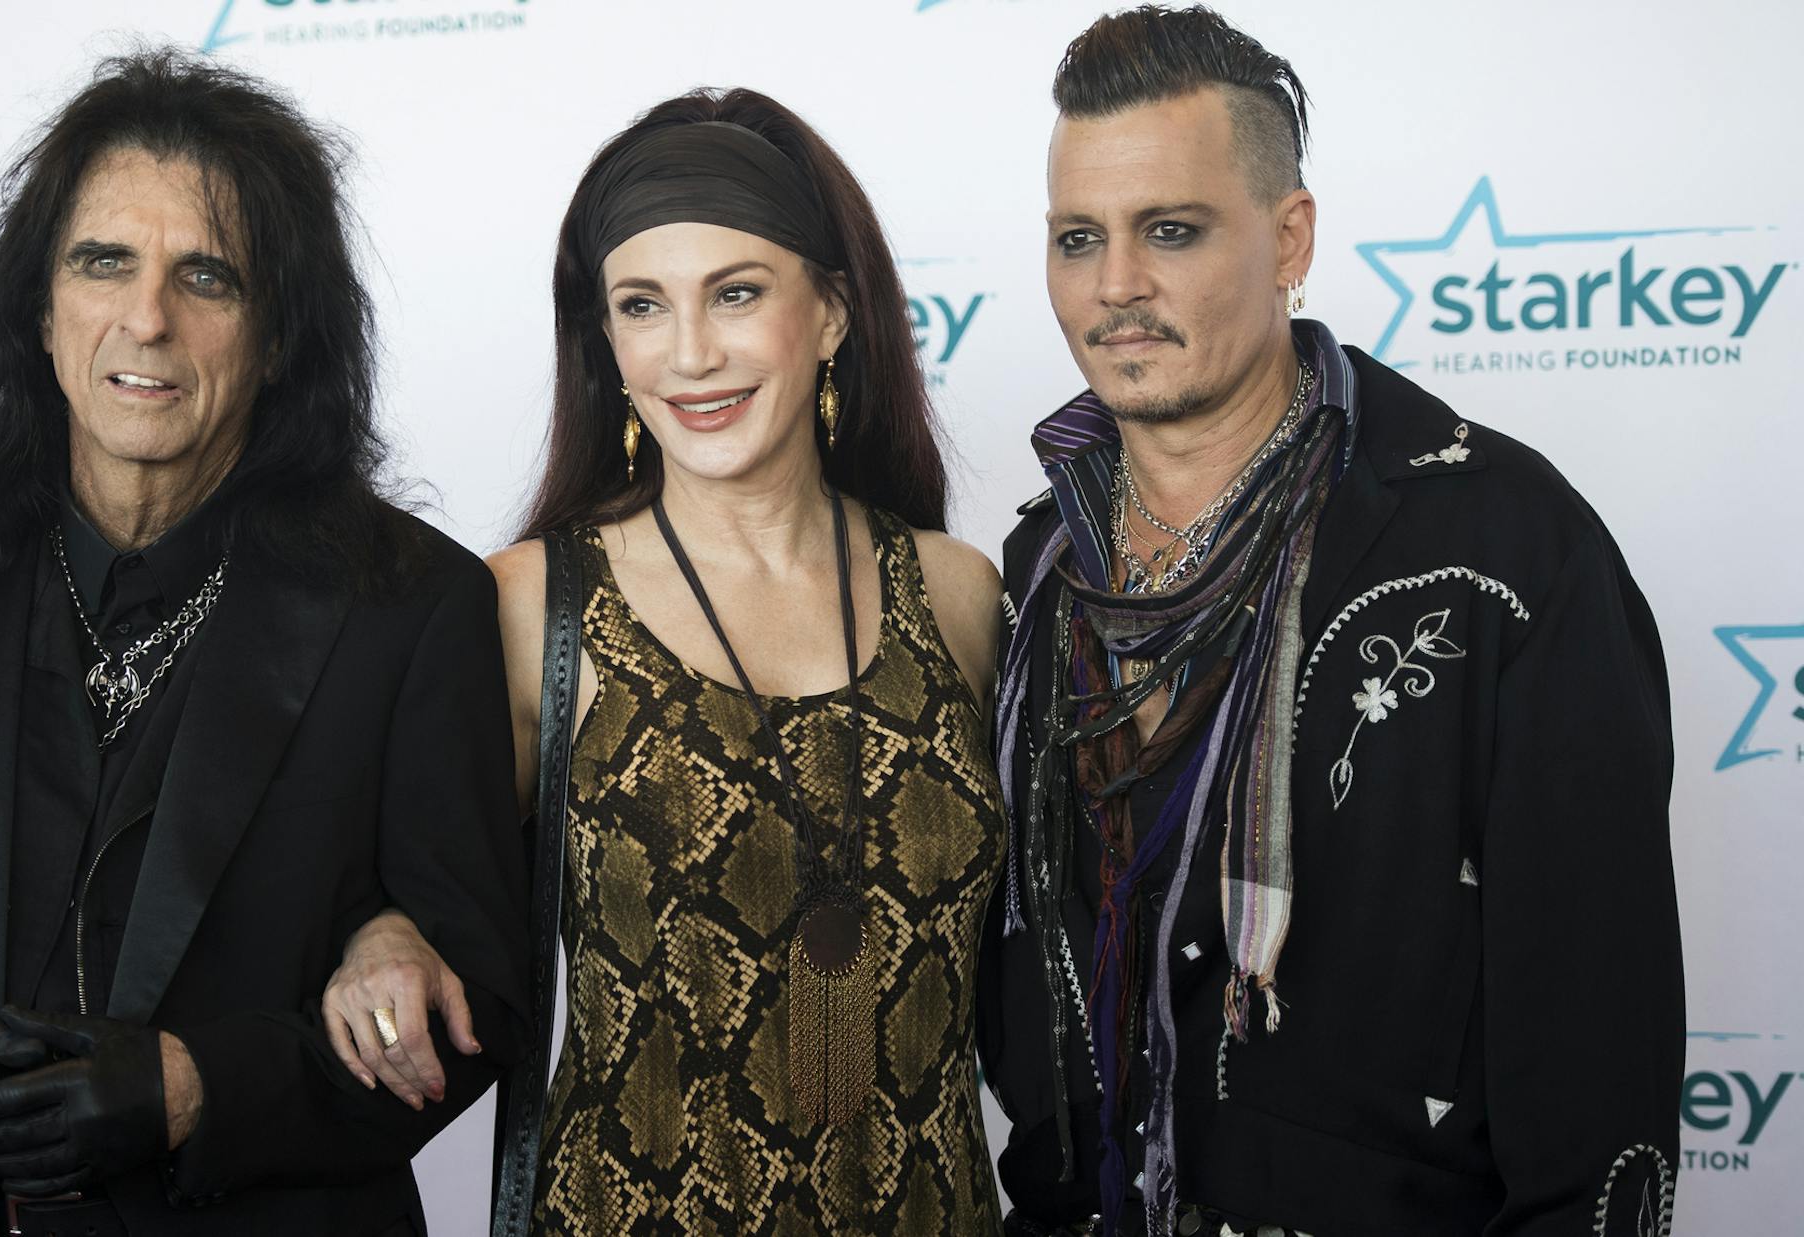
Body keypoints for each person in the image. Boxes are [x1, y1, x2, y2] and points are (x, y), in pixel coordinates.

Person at [0, 48, 528, 1236]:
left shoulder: (412, 602)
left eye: (210, 275)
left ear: (282, 334)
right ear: (41, 306)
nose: (148, 318)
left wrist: (193, 1092)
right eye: (105, 262)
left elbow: (478, 995)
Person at [979, 8, 1684, 1236]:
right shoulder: (1046, 557)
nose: (1117, 287)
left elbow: (1594, 1052)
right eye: (1078, 238)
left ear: (1289, 237)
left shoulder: (1503, 554)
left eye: (1174, 232)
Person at [321, 88, 1009, 1235]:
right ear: (608, 342)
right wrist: (378, 932)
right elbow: (380, 866)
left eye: (737, 293)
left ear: (832, 314)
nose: (692, 353)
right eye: (643, 305)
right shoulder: (535, 602)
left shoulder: (956, 591)